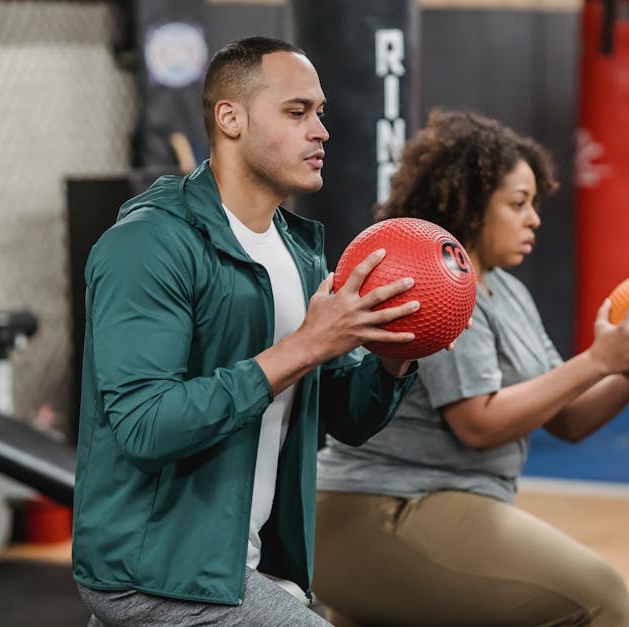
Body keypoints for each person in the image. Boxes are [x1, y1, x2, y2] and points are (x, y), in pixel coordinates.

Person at [71, 36, 424, 626]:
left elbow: (344, 415)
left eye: (320, 112)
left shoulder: (299, 253)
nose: (321, 131)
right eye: (296, 112)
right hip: (153, 574)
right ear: (229, 119)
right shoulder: (148, 244)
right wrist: (305, 345)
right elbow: (146, 426)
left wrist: (394, 359)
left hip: (241, 561)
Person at [313, 109, 629, 627]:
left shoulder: (509, 292)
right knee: (601, 597)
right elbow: (479, 424)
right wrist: (598, 359)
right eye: (518, 204)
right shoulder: (442, 288)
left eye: (534, 204)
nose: (534, 218)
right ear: (467, 205)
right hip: (382, 509)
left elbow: (569, 418)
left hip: (424, 508)